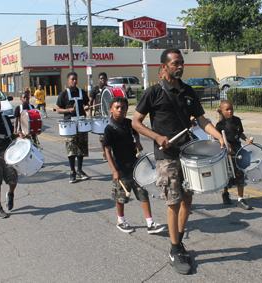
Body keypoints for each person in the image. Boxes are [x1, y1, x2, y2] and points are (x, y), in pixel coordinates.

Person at [133, 48, 225, 275]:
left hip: (188, 152)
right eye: (175, 63)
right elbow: (135, 122)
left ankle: (179, 242)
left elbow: (202, 119)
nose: (180, 66)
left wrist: (218, 135)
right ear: (164, 66)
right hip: (167, 157)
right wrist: (156, 136)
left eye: (181, 62)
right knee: (173, 203)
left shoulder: (188, 91)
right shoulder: (153, 92)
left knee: (187, 199)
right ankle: (174, 250)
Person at [103, 96, 165, 234]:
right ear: (111, 109)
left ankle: (150, 222)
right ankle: (121, 220)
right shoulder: (109, 129)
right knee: (121, 197)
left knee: (143, 193)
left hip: (136, 167)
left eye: (123, 108)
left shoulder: (128, 123)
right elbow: (107, 150)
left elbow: (136, 132)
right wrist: (114, 170)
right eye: (117, 107)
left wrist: (137, 141)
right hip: (121, 168)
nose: (120, 110)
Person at [216, 100, 253, 209]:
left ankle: (240, 199)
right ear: (222, 111)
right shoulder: (220, 125)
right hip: (228, 152)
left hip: (238, 149)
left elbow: (239, 132)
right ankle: (225, 193)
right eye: (227, 109)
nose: (230, 111)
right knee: (228, 174)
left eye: (231, 109)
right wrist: (226, 145)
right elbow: (217, 139)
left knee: (240, 172)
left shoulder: (237, 120)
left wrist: (246, 139)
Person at [56, 72, 90, 183]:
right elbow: (58, 109)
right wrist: (68, 110)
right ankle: (72, 171)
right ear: (67, 80)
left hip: (81, 122)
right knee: (71, 148)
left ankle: (80, 170)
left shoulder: (82, 92)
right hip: (69, 124)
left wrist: (86, 107)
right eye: (72, 79)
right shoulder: (64, 94)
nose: (74, 81)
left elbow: (86, 104)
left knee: (81, 148)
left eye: (75, 79)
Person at [89, 72, 108, 160]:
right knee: (101, 136)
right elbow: (90, 102)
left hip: (107, 114)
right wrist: (90, 115)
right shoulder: (95, 90)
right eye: (101, 79)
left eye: (104, 79)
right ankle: (105, 153)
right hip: (98, 114)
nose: (102, 80)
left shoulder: (108, 89)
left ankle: (110, 151)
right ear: (98, 80)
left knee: (109, 134)